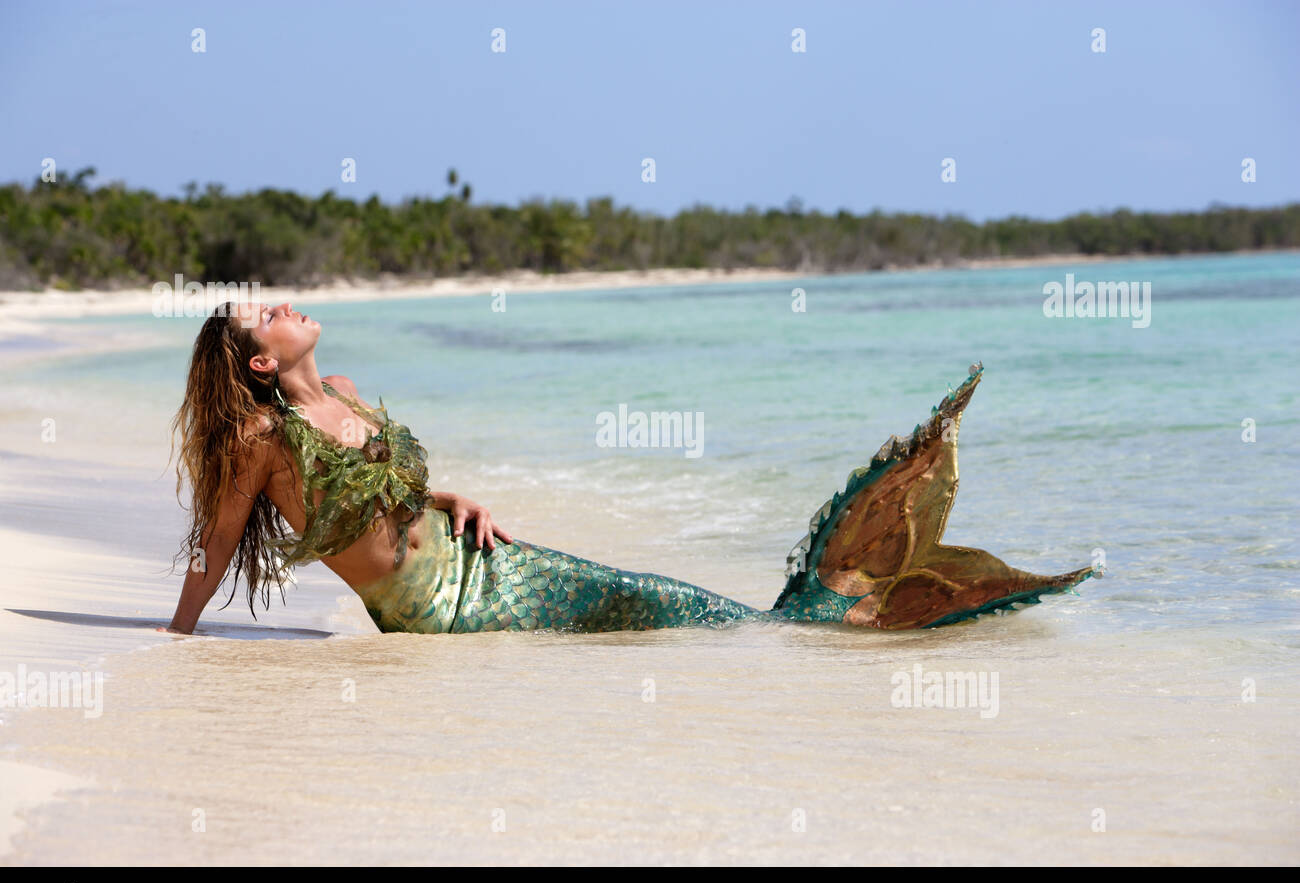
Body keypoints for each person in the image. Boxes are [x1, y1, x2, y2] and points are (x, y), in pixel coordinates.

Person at [161, 301, 1093, 636]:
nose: (283, 303)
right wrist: (177, 637)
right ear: (258, 360)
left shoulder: (354, 394)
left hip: (484, 559)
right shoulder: (264, 441)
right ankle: (840, 619)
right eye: (263, 314)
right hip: (436, 612)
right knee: (654, 616)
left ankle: (832, 616)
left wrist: (454, 495)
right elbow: (219, 536)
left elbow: (388, 495)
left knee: (656, 600)